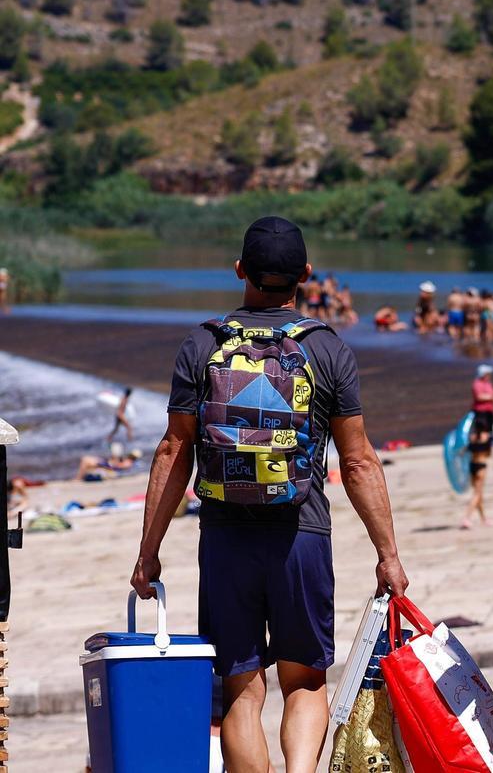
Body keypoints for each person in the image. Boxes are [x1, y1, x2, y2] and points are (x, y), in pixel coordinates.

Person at [129, 217, 409, 772]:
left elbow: (173, 451)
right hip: (302, 535)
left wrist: (148, 551)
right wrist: (388, 555)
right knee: (304, 681)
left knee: (241, 688)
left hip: (225, 538)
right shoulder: (325, 349)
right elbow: (357, 460)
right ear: (305, 274)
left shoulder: (203, 344)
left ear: (240, 271)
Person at [462, 415, 492, 529]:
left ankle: (484, 519)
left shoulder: (472, 437)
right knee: (477, 494)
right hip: (481, 466)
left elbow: (466, 451)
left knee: (479, 494)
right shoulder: (487, 437)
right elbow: (488, 453)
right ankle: (467, 518)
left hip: (472, 466)